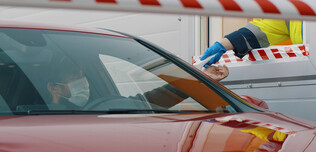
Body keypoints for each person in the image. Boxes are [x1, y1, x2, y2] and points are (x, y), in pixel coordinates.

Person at [46, 64, 229, 109]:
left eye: (83, 76)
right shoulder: (45, 121)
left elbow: (149, 101)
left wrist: (200, 79)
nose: (83, 83)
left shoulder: (106, 105)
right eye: (73, 78)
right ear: (55, 88)